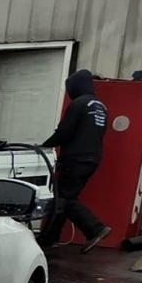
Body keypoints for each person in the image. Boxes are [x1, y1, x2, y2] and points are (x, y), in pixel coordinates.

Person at [39, 69, 113, 252]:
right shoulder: (101, 107)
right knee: (63, 198)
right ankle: (49, 238)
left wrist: (43, 146)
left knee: (65, 199)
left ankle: (95, 229)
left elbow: (64, 132)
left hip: (75, 159)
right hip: (92, 159)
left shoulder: (79, 104)